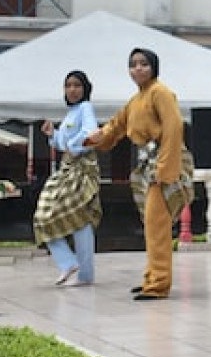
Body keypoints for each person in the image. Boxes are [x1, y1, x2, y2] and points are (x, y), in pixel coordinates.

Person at [86, 48, 195, 301]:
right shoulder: (135, 100)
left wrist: (164, 168)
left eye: (144, 64)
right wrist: (95, 138)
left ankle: (158, 284)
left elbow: (173, 127)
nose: (138, 69)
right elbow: (116, 126)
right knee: (152, 223)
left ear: (154, 67)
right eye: (133, 64)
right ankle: (152, 278)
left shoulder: (161, 93)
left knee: (157, 223)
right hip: (149, 163)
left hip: (165, 161)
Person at [33, 70, 102, 286]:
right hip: (66, 170)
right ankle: (69, 264)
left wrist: (74, 147)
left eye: (77, 85)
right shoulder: (71, 113)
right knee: (44, 217)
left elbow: (92, 133)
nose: (72, 90)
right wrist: (52, 135)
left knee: (80, 219)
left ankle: (84, 273)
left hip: (81, 171)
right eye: (68, 85)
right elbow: (63, 144)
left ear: (85, 89)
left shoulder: (85, 108)